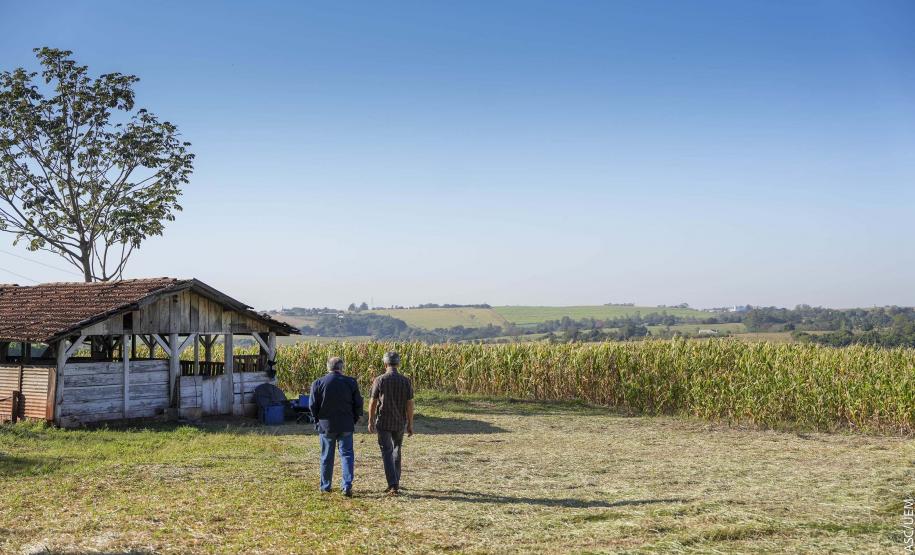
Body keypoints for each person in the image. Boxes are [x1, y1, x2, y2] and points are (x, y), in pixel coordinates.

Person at [309, 356, 363, 496]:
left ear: (328, 367)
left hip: (326, 425)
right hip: (346, 424)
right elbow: (358, 404)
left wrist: (317, 420)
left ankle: (325, 486)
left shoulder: (318, 383)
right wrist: (354, 419)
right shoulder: (351, 382)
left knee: (326, 456)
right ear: (341, 367)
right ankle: (346, 486)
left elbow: (312, 405)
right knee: (347, 455)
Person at [368, 351, 414, 495]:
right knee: (396, 450)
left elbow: (373, 401)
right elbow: (410, 404)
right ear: (398, 364)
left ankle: (392, 484)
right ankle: (396, 481)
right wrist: (410, 423)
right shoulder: (405, 381)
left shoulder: (380, 380)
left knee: (387, 452)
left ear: (385, 363)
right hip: (399, 422)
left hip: (383, 422)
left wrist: (370, 420)